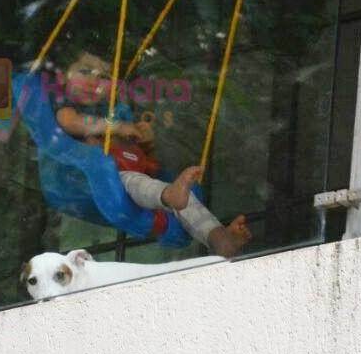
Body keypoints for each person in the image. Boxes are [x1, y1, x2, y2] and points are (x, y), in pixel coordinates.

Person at [54, 51, 252, 257]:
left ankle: (217, 236)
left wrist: (143, 138)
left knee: (183, 196)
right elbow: (70, 122)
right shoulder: (69, 105)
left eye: (104, 77)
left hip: (131, 175)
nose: (93, 81)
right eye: (85, 71)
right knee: (140, 183)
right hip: (99, 179)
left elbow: (140, 155)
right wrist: (119, 127)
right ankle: (168, 196)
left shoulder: (114, 110)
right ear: (62, 77)